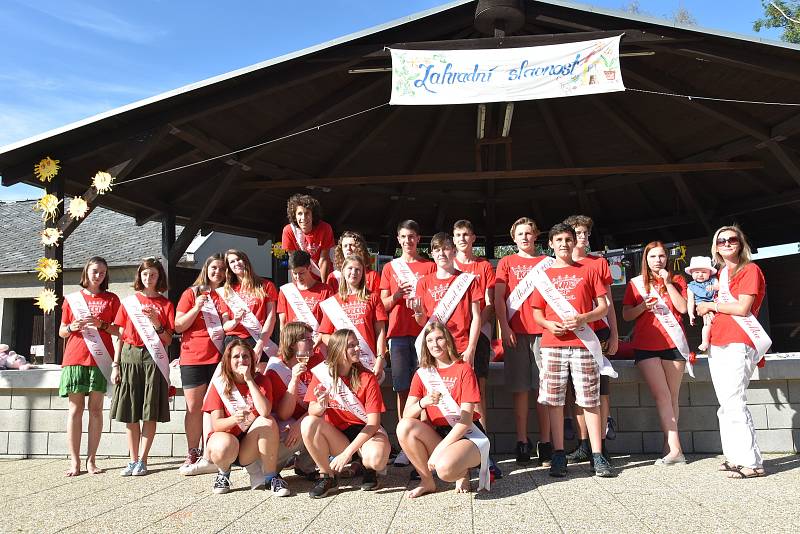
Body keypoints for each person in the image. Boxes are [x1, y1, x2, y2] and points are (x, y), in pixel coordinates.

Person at [531, 223, 614, 478]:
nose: (564, 243)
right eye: (559, 239)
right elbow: (536, 312)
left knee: (589, 399)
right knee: (554, 401)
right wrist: (548, 324)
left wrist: (584, 318)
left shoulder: (589, 270)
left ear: (574, 242)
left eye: (568, 239)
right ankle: (558, 453)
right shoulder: (542, 276)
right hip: (552, 344)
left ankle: (597, 455)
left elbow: (604, 305)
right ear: (551, 244)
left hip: (583, 343)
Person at [696, 225, 770, 479]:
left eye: (732, 239)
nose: (727, 243)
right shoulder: (720, 275)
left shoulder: (750, 269)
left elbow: (742, 308)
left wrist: (710, 304)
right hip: (718, 340)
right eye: (721, 240)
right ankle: (735, 458)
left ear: (741, 243)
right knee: (725, 404)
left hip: (740, 339)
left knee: (735, 401)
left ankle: (752, 462)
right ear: (715, 247)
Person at [398, 322, 488, 498]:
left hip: (468, 434)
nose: (435, 344)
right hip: (440, 433)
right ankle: (427, 482)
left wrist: (438, 451)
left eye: (439, 338)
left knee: (445, 470)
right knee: (404, 427)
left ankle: (462, 470)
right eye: (430, 340)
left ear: (448, 341)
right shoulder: (423, 373)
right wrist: (423, 402)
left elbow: (465, 422)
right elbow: (406, 415)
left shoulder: (464, 369)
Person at [622, 241, 690, 465]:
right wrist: (643, 307)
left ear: (666, 259)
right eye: (653, 257)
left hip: (673, 343)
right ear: (646, 259)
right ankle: (676, 450)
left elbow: (682, 308)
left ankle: (669, 445)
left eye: (661, 256)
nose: (658, 260)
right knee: (662, 395)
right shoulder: (636, 284)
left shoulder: (678, 280)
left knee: (672, 397)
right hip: (646, 344)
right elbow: (626, 315)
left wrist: (668, 283)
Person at [301, 329, 391, 498]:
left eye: (357, 344)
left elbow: (373, 424)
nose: (358, 349)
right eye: (351, 346)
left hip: (366, 432)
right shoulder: (323, 374)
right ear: (338, 350)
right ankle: (327, 476)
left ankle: (368, 469)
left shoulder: (367, 377)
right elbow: (311, 410)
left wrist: (346, 454)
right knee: (308, 423)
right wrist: (322, 404)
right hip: (338, 434)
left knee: (376, 459)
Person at [494, 217, 552, 466]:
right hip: (515, 333)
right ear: (513, 237)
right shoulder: (506, 262)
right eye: (521, 234)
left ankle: (546, 442)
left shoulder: (547, 263)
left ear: (536, 235)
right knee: (519, 390)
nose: (525, 237)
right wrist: (504, 327)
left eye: (529, 233)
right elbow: (499, 299)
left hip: (543, 332)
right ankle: (522, 441)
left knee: (543, 390)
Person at [562, 214, 619, 464]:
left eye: (586, 232)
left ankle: (601, 443)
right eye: (578, 232)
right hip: (571, 337)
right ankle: (583, 443)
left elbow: (608, 305)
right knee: (575, 392)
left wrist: (615, 333)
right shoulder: (559, 266)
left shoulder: (599, 263)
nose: (583, 237)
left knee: (601, 391)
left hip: (598, 333)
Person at [110, 258, 175, 477]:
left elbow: (168, 339)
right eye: (145, 274)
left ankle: (143, 460)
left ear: (159, 278)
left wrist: (157, 322)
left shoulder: (166, 305)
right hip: (128, 356)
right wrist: (115, 364)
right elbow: (120, 336)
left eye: (153, 275)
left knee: (149, 411)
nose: (149, 278)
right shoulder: (129, 302)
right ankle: (132, 460)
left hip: (153, 358)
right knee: (130, 411)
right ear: (140, 276)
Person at [379, 219, 435, 467]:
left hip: (426, 335)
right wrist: (398, 296)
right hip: (399, 334)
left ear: (418, 239)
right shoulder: (391, 268)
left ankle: (427, 439)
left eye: (412, 236)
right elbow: (382, 305)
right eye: (403, 237)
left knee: (427, 387)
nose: (408, 241)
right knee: (403, 389)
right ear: (399, 239)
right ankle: (406, 444)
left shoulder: (430, 266)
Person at [202, 339, 290, 496]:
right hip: (228, 443)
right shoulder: (220, 384)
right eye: (236, 357)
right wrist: (234, 419)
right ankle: (223, 473)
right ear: (228, 361)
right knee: (222, 445)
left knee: (267, 422)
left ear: (252, 359)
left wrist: (249, 379)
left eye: (245, 356)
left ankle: (271, 477)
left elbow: (264, 411)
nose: (241, 360)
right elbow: (216, 425)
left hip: (250, 445)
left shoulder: (262, 381)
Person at [59, 256, 121, 476]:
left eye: (103, 272)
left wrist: (102, 324)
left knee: (96, 411)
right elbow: (62, 331)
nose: (98, 275)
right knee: (75, 411)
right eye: (95, 271)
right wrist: (72, 327)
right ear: (86, 272)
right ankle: (74, 462)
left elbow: (119, 331)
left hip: (100, 360)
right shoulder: (72, 299)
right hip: (75, 358)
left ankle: (91, 460)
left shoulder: (112, 299)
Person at [174, 254, 229, 475]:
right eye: (214, 268)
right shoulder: (191, 293)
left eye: (222, 269)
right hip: (193, 357)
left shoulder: (227, 295)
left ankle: (212, 453)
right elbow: (178, 326)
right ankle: (193, 451)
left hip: (218, 357)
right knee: (194, 408)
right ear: (206, 269)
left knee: (216, 407)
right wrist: (196, 307)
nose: (218, 272)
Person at [265, 322, 321, 480]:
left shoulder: (317, 360)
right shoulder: (276, 369)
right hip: (286, 423)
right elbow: (283, 414)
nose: (312, 342)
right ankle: (272, 467)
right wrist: (294, 380)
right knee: (288, 426)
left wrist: (300, 424)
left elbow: (322, 404)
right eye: (306, 339)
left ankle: (306, 465)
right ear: (292, 343)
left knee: (321, 418)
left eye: (312, 338)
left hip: (310, 416)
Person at [319, 254, 388, 381]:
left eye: (358, 270)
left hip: (368, 361)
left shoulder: (373, 298)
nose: (354, 272)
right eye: (350, 268)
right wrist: (342, 347)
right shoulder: (333, 301)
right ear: (343, 271)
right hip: (342, 362)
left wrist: (380, 358)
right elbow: (324, 335)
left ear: (363, 274)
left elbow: (380, 332)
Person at [219, 249, 278, 360]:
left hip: (258, 339)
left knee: (259, 376)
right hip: (233, 341)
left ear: (245, 260)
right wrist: (235, 320)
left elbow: (271, 318)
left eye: (239, 259)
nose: (236, 263)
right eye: (232, 262)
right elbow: (226, 326)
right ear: (229, 267)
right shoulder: (227, 290)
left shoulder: (266, 285)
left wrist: (260, 345)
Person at [277, 250, 333, 335]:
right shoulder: (286, 291)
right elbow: (282, 324)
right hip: (293, 343)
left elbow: (328, 322)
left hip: (317, 343)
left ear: (310, 268)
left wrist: (317, 342)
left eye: (301, 273)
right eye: (295, 273)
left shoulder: (326, 290)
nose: (298, 277)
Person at [281, 193, 334, 282]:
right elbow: (294, 262)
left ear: (313, 215)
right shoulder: (288, 231)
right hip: (302, 278)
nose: (303, 218)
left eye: (307, 213)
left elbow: (324, 259)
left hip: (323, 276)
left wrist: (324, 286)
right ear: (294, 215)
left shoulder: (325, 228)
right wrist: (297, 287)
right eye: (300, 213)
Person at [685, 256, 718, 352]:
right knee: (707, 323)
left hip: (716, 303)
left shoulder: (713, 280)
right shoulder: (691, 286)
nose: (700, 275)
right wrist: (690, 314)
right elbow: (691, 301)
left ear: (709, 273)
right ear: (691, 273)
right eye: (696, 272)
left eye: (704, 272)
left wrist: (714, 287)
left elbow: (720, 287)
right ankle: (705, 341)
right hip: (702, 306)